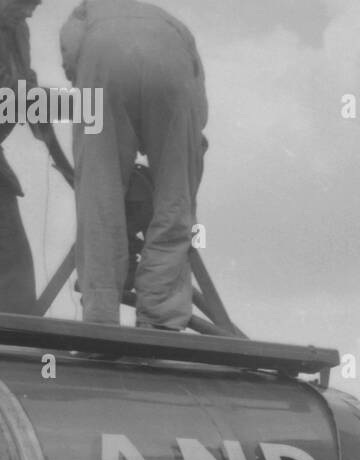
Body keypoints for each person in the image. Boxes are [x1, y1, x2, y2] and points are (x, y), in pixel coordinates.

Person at [60, 0, 206, 328]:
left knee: (98, 194)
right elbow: (198, 115)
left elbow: (71, 57)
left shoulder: (85, 11)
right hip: (172, 63)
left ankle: (99, 316)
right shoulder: (171, 22)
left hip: (100, 58)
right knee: (175, 198)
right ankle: (161, 316)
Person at [0, 0, 74, 314]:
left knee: (12, 265)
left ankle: (17, 350)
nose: (31, 11)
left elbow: (29, 99)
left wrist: (69, 171)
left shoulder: (17, 30)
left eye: (36, 4)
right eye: (26, 2)